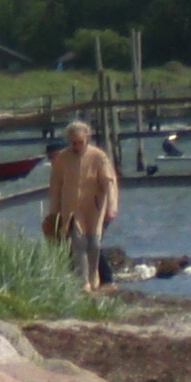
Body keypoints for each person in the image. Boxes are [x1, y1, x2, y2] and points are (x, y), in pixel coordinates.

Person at [44, 118, 120, 290]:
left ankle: (95, 278)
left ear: (88, 138)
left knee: (94, 243)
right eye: (73, 143)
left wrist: (112, 206)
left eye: (80, 142)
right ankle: (83, 282)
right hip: (71, 207)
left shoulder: (98, 157)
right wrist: (53, 212)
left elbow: (109, 183)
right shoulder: (62, 158)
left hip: (94, 207)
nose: (77, 146)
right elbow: (55, 186)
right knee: (78, 243)